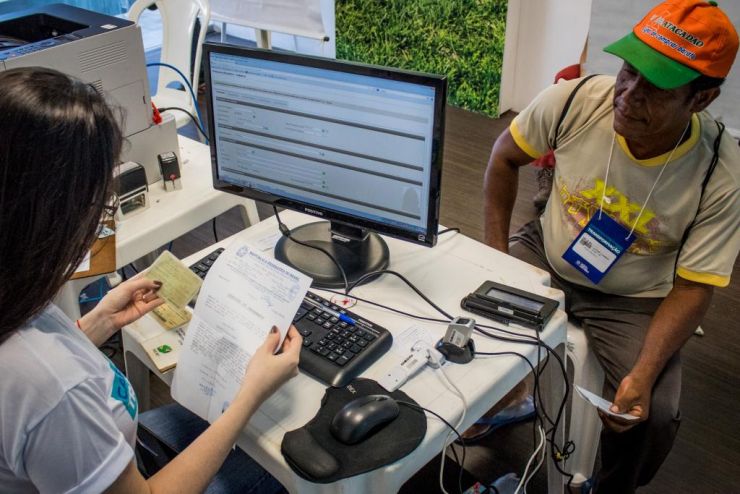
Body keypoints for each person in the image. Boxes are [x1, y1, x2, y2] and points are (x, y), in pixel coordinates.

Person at [0, 67, 302, 493]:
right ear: (54, 216)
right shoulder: (55, 392)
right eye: (99, 201)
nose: (101, 219)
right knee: (289, 469)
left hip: (118, 450)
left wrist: (96, 323)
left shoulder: (13, 290)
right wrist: (248, 398)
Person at [482, 1, 739, 492]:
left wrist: (642, 374)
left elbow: (693, 288)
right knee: (473, 331)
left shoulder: (720, 174)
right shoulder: (575, 99)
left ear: (701, 99)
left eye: (655, 87)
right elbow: (503, 158)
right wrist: (495, 259)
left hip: (635, 296)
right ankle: (511, 402)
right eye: (628, 71)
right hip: (547, 251)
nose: (627, 95)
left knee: (653, 415)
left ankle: (610, 485)